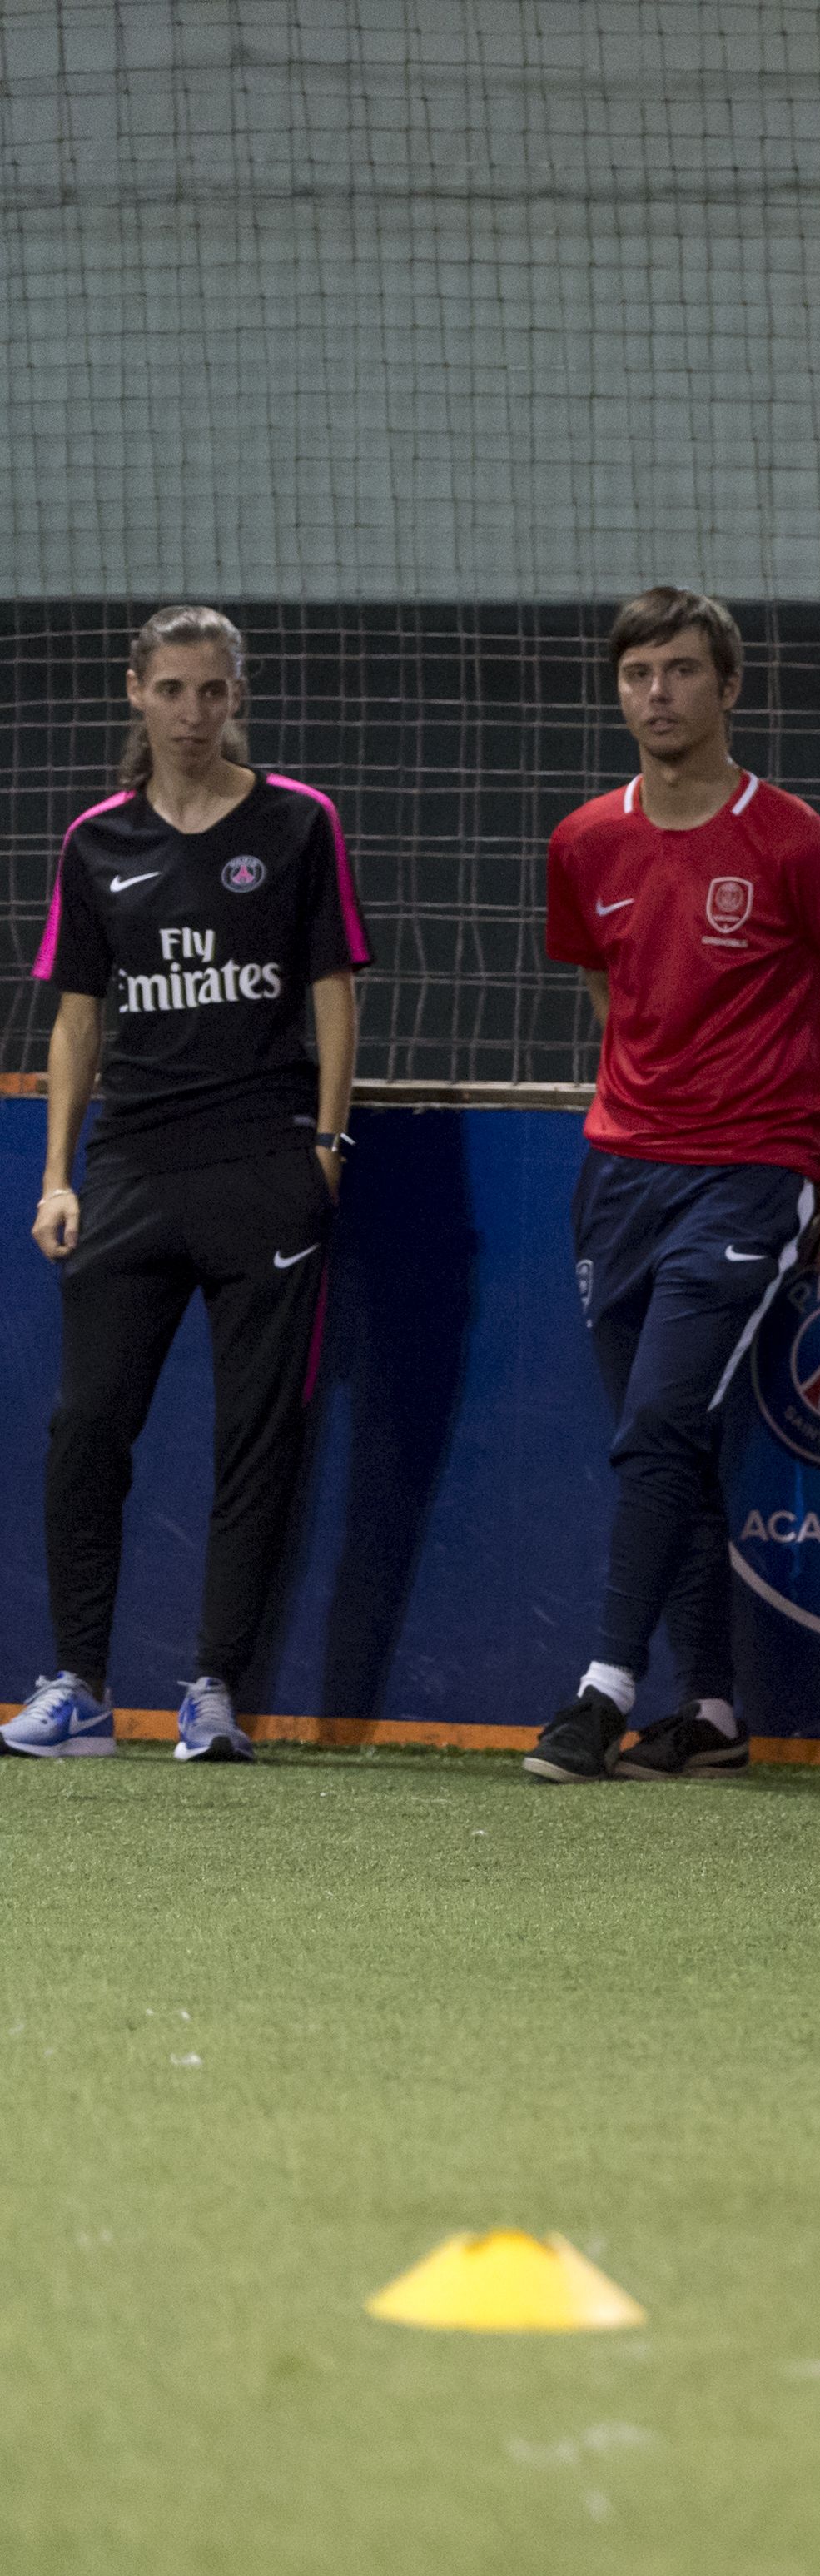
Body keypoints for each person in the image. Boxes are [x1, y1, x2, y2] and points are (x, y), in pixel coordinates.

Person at [522, 588, 820, 1783]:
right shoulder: (584, 840)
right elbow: (608, 985)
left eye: (683, 671)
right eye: (638, 672)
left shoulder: (795, 842)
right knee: (669, 1446)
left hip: (751, 1179)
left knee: (656, 1428)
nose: (659, 692)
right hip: (618, 1174)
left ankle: (600, 1690)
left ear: (728, 686)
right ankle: (711, 1710)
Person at [10, 606, 366, 1765]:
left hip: (264, 1168)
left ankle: (214, 1692)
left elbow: (333, 990)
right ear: (135, 693)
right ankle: (78, 1690)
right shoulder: (94, 843)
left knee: (254, 1441)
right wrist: (59, 1176)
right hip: (129, 1174)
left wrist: (326, 1144)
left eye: (214, 691)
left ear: (237, 696)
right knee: (84, 1429)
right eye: (173, 690)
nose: (195, 713)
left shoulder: (300, 823)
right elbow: (74, 1022)